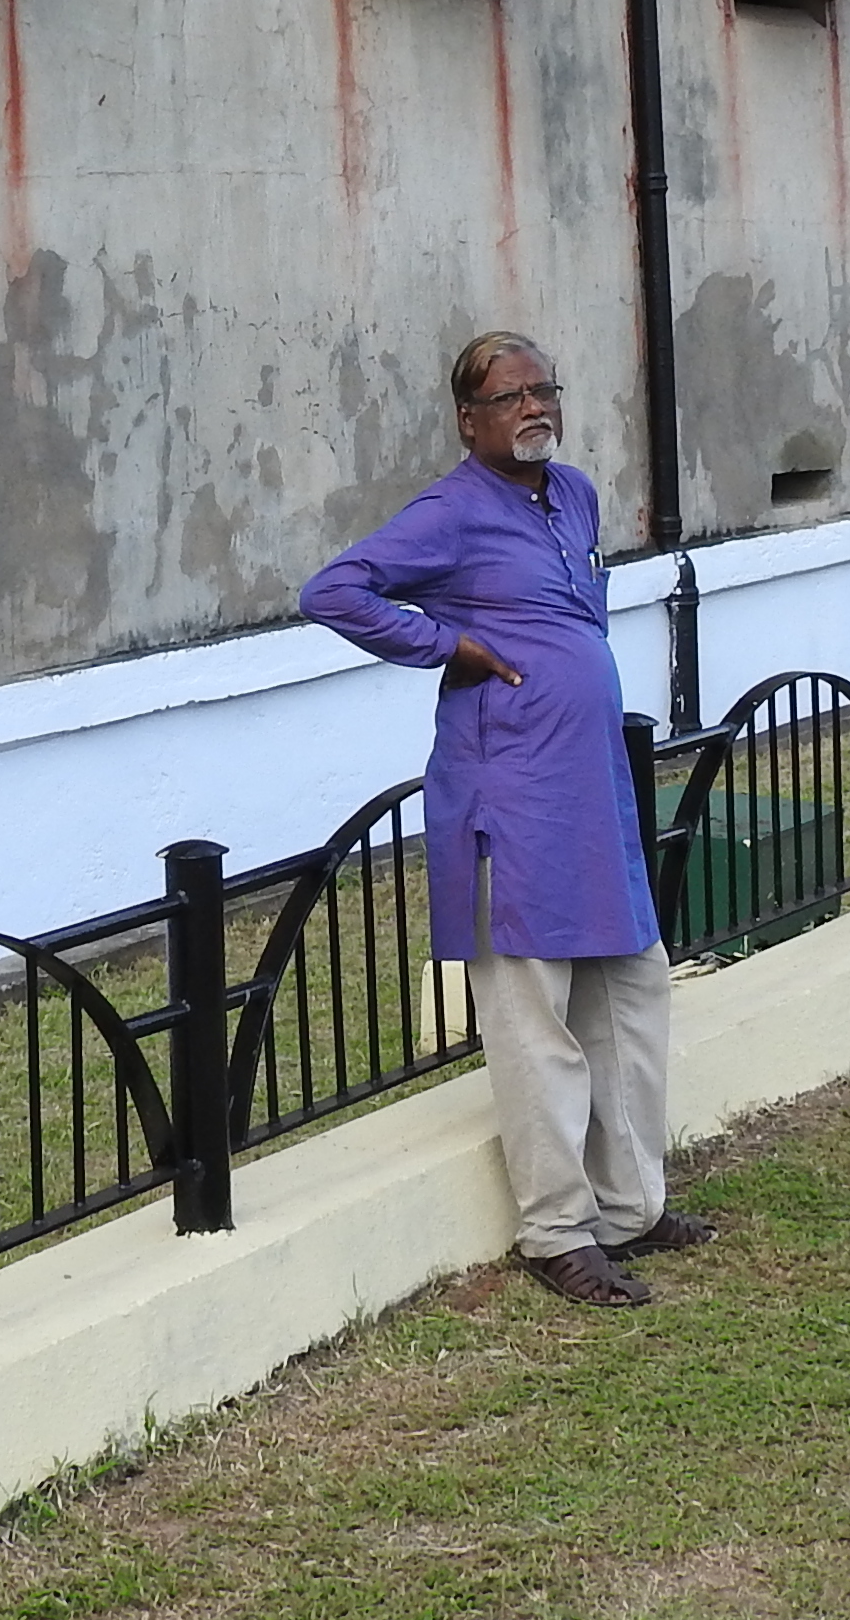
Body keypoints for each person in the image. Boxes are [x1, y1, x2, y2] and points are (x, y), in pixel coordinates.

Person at [299, 333, 711, 1308]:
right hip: (509, 803)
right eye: (509, 396)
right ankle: (557, 1234)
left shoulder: (572, 495)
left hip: (594, 793)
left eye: (543, 390)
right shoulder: (448, 513)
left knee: (631, 991)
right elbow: (334, 591)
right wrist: (451, 645)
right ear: (468, 419)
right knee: (538, 1022)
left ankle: (632, 1208)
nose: (533, 407)